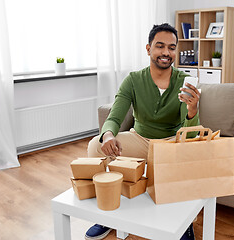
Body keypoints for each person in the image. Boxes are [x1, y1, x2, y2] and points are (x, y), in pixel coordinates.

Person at [85, 23, 200, 240]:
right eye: (160, 46)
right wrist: (108, 134)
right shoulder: (133, 80)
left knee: (190, 158)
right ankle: (105, 214)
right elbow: (115, 116)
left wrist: (193, 111)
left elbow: (190, 135)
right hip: (139, 139)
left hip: (170, 142)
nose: (166, 52)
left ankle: (184, 224)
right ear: (148, 49)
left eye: (172, 47)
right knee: (95, 145)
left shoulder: (183, 81)